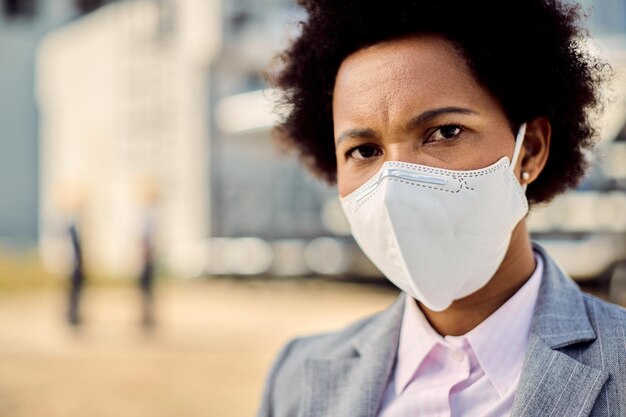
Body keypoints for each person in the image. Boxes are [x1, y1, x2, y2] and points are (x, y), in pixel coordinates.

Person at [257, 0, 626, 416]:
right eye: (363, 150)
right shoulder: (295, 379)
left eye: (445, 132)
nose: (396, 184)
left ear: (530, 152)